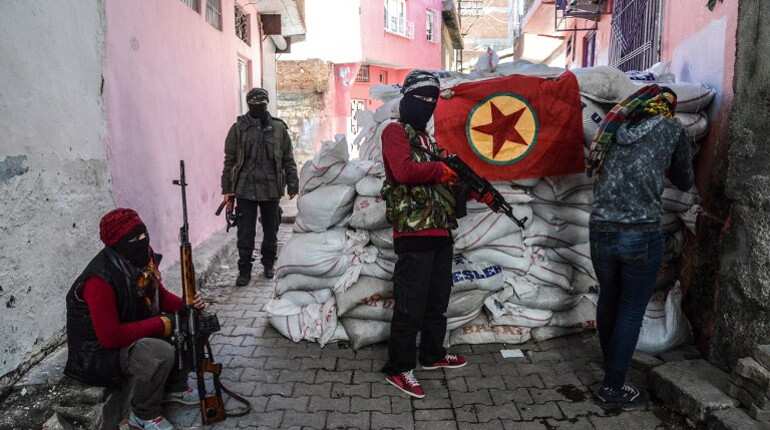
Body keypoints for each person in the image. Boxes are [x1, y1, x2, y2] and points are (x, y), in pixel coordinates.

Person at [380, 70, 494, 398]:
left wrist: (474, 190)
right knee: (410, 304)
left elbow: (449, 180)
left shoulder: (429, 141)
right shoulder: (393, 132)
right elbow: (402, 171)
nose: (428, 105)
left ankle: (432, 355)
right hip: (413, 232)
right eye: (422, 99)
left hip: (441, 230)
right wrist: (440, 171)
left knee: (437, 300)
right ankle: (399, 368)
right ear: (407, 100)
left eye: (434, 99)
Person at [586, 85, 694, 409]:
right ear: (666, 108)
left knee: (609, 297)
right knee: (632, 308)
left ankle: (612, 366)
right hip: (641, 232)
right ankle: (613, 387)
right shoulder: (672, 128)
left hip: (600, 230)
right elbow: (684, 179)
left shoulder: (613, 126)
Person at [64, 208, 207, 430]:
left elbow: (159, 293)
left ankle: (173, 387)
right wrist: (161, 324)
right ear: (118, 243)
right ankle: (143, 414)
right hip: (95, 355)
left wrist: (186, 306)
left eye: (143, 234)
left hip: (125, 332)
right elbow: (110, 337)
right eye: (134, 238)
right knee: (158, 352)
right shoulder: (99, 280)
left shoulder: (140, 258)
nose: (142, 241)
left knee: (188, 322)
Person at [221, 88, 299, 286]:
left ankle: (268, 264)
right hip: (245, 188)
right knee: (245, 232)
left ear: (267, 105)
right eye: (255, 105)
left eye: (262, 105)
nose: (259, 108)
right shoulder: (238, 128)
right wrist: (228, 191)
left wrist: (292, 182)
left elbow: (288, 158)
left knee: (271, 229)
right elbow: (229, 161)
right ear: (249, 105)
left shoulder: (278, 128)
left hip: (271, 187)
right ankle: (244, 269)